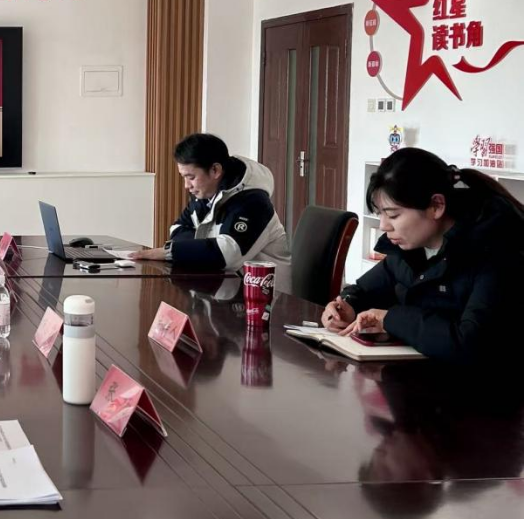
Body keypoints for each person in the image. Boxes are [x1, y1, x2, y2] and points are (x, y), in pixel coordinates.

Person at [322, 147, 524, 363]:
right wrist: (347, 306)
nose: (383, 226)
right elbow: (365, 290)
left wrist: (390, 319)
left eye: (393, 215)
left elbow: (469, 342)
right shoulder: (408, 249)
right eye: (380, 214)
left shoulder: (496, 249)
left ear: (436, 206)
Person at [131, 133, 292, 292]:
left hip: (267, 298)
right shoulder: (207, 193)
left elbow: (227, 255)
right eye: (184, 177)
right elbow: (177, 229)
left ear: (215, 170)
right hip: (222, 291)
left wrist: (170, 252)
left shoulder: (254, 202)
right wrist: (205, 248)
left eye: (191, 177)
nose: (187, 185)